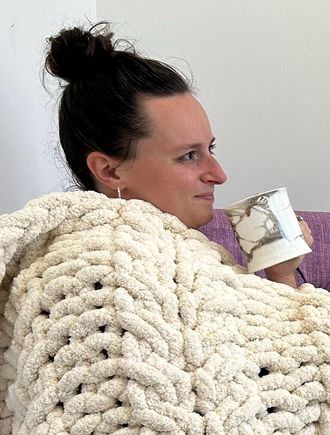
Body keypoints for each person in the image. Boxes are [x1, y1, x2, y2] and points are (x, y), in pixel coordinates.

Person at [44, 22, 311, 289]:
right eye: (189, 156)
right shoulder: (105, 276)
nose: (219, 175)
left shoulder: (188, 261)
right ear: (109, 171)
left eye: (211, 149)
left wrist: (281, 271)